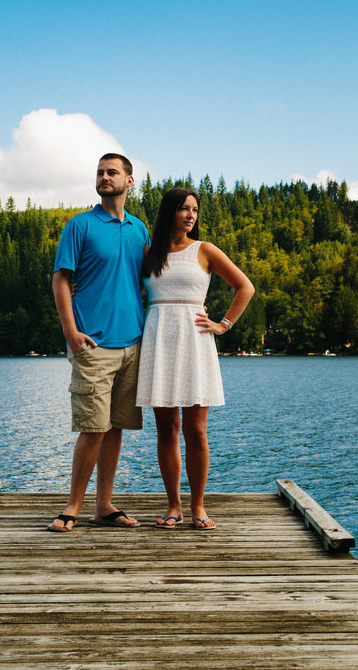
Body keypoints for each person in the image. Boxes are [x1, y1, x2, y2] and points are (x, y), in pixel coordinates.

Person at [136, 187, 254, 530]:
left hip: (195, 340)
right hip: (158, 339)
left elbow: (244, 287)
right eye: (184, 209)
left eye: (195, 210)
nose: (190, 215)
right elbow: (122, 284)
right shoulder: (148, 253)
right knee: (166, 430)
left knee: (196, 431)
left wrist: (223, 324)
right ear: (169, 212)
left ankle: (199, 506)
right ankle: (174, 505)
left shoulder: (204, 250)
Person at [47, 153, 151, 532]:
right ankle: (73, 505)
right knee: (92, 427)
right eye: (100, 172)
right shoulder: (80, 225)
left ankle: (103, 505)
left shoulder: (140, 229)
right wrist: (70, 332)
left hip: (133, 344)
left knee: (115, 427)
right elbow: (61, 279)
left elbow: (148, 280)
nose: (104, 177)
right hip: (93, 344)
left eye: (112, 172)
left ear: (130, 180)